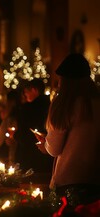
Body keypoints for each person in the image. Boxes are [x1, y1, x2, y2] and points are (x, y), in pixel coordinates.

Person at [34, 53, 100, 205]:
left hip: (68, 181)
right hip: (95, 180)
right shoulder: (96, 102)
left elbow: (54, 149)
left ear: (64, 81)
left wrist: (46, 144)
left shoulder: (64, 105)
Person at [13, 78, 54, 182]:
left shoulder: (29, 109)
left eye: (26, 92)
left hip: (29, 157)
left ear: (34, 90)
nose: (25, 95)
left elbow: (23, 134)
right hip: (47, 158)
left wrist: (15, 135)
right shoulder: (51, 106)